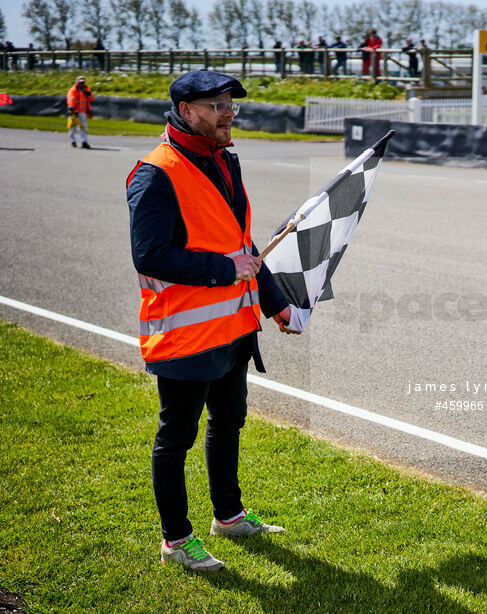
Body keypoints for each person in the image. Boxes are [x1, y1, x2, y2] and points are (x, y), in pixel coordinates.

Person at [126, 69, 299, 573]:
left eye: (231, 105)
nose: (228, 114)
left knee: (229, 422)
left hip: (234, 328)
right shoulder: (154, 172)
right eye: (218, 105)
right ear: (186, 111)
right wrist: (225, 271)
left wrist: (274, 301)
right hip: (185, 332)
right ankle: (176, 540)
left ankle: (228, 516)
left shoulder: (225, 161)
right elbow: (151, 254)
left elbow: (240, 243)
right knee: (175, 437)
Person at [67, 76, 95, 149]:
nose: (82, 84)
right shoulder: (73, 90)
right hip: (74, 112)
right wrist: (71, 109)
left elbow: (92, 98)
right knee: (73, 127)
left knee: (84, 127)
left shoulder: (87, 89)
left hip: (83, 112)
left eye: (83, 82)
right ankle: (72, 141)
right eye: (80, 82)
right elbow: (71, 99)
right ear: (77, 82)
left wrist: (88, 94)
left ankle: (84, 141)